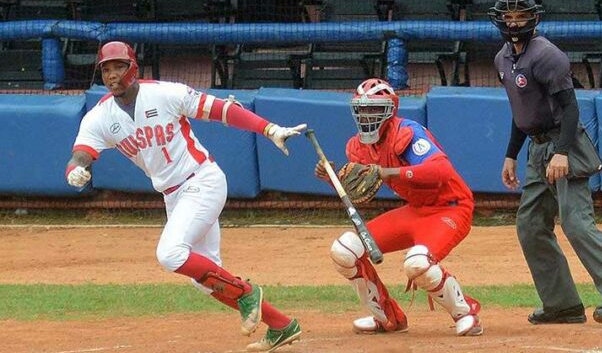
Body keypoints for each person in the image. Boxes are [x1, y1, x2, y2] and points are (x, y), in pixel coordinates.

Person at [65, 41, 305, 351]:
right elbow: (82, 152)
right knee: (203, 277)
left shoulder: (165, 93)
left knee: (170, 254)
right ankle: (282, 325)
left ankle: (247, 294)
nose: (112, 74)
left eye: (118, 66)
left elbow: (221, 110)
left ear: (133, 68)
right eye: (106, 69)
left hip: (201, 181)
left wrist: (269, 128)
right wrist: (75, 169)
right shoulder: (100, 116)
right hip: (173, 196)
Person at [488, 0, 602, 324]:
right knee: (529, 226)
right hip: (535, 148)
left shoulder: (547, 55)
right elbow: (521, 112)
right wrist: (510, 154)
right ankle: (562, 305)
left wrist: (561, 152)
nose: (514, 22)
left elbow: (571, 108)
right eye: (509, 16)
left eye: (521, 15)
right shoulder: (502, 59)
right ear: (499, 20)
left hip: (563, 143)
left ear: (533, 18)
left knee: (576, 223)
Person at [314, 78, 483, 336]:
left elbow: (441, 171)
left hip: (451, 208)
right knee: (344, 250)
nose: (366, 116)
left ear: (390, 109)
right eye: (362, 109)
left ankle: (465, 312)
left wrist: (388, 172)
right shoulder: (357, 147)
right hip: (415, 210)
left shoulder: (407, 132)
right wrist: (333, 179)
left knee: (417, 264)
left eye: (373, 109)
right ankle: (387, 317)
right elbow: (361, 193)